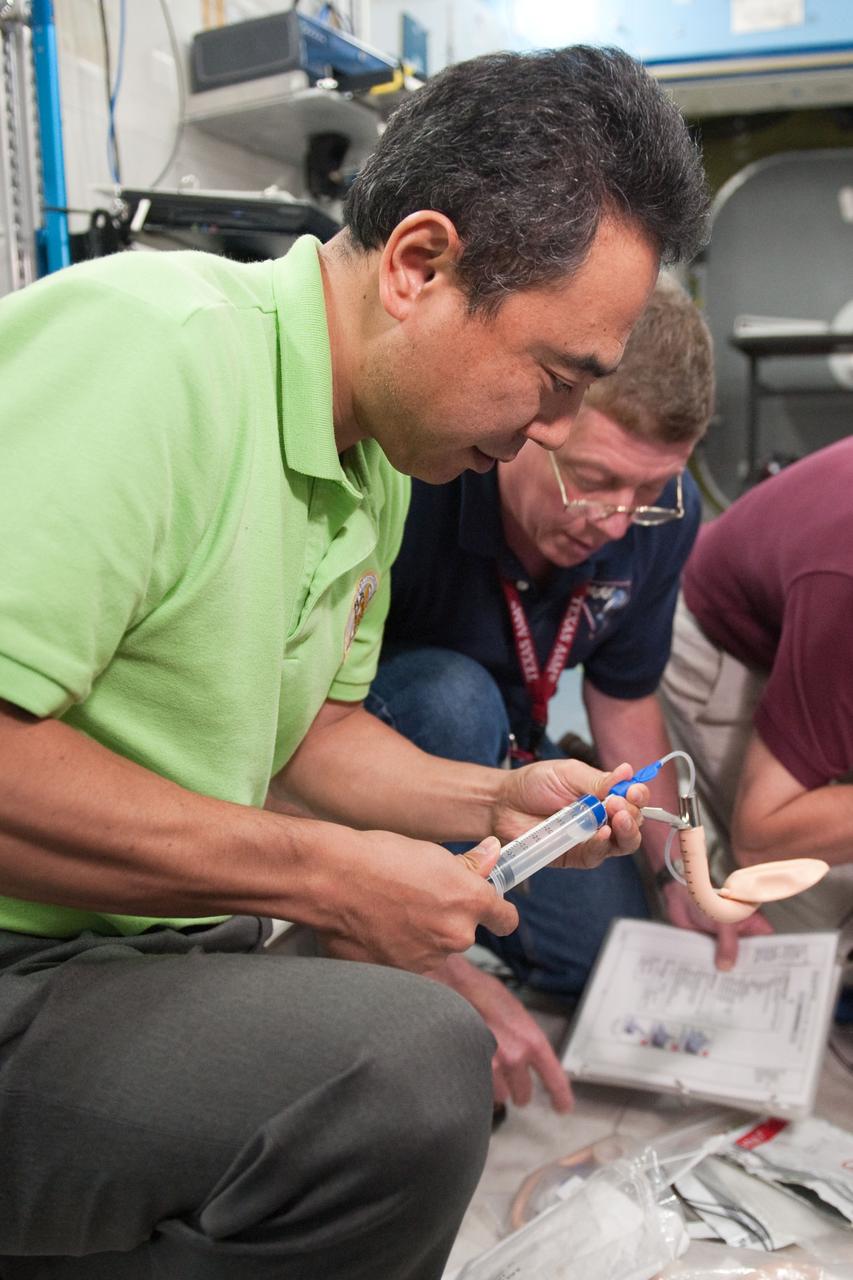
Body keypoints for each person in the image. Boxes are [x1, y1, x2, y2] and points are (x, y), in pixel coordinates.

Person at [0, 46, 707, 1280]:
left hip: (139, 936)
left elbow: (312, 740)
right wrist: (327, 877)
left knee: (401, 1056)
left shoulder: (374, 455)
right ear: (420, 267)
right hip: (29, 951)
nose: (547, 431)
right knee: (409, 1074)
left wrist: (495, 798)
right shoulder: (151, 350)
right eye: (552, 378)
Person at [367, 278, 771, 1115]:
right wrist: (427, 968)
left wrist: (681, 880)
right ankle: (391, 942)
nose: (615, 522)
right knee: (453, 696)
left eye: (647, 493)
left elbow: (624, 701)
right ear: (534, 424)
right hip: (379, 748)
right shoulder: (426, 476)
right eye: (594, 479)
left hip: (513, 759)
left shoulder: (664, 510)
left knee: (614, 958)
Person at [658, 437, 853, 951]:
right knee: (809, 931)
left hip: (810, 602)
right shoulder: (843, 597)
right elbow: (763, 834)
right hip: (724, 637)